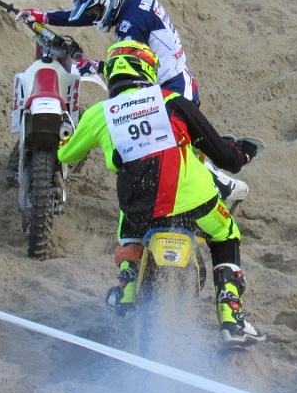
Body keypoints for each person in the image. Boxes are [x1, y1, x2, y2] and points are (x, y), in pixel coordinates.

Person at [57, 40, 266, 347]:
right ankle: (231, 317)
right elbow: (225, 158)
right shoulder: (173, 100)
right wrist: (243, 154)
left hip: (140, 210)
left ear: (113, 72)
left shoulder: (100, 114)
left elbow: (66, 155)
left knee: (125, 223)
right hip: (194, 201)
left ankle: (126, 289)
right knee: (226, 234)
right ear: (148, 70)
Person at [15, 0, 250, 208]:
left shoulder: (130, 26)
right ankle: (217, 174)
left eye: (96, 12)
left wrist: (92, 66)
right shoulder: (136, 3)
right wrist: (46, 17)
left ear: (110, 0)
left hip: (169, 90)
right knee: (172, 153)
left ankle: (224, 187)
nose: (94, 17)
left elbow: (127, 67)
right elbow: (93, 19)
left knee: (164, 156)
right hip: (172, 81)